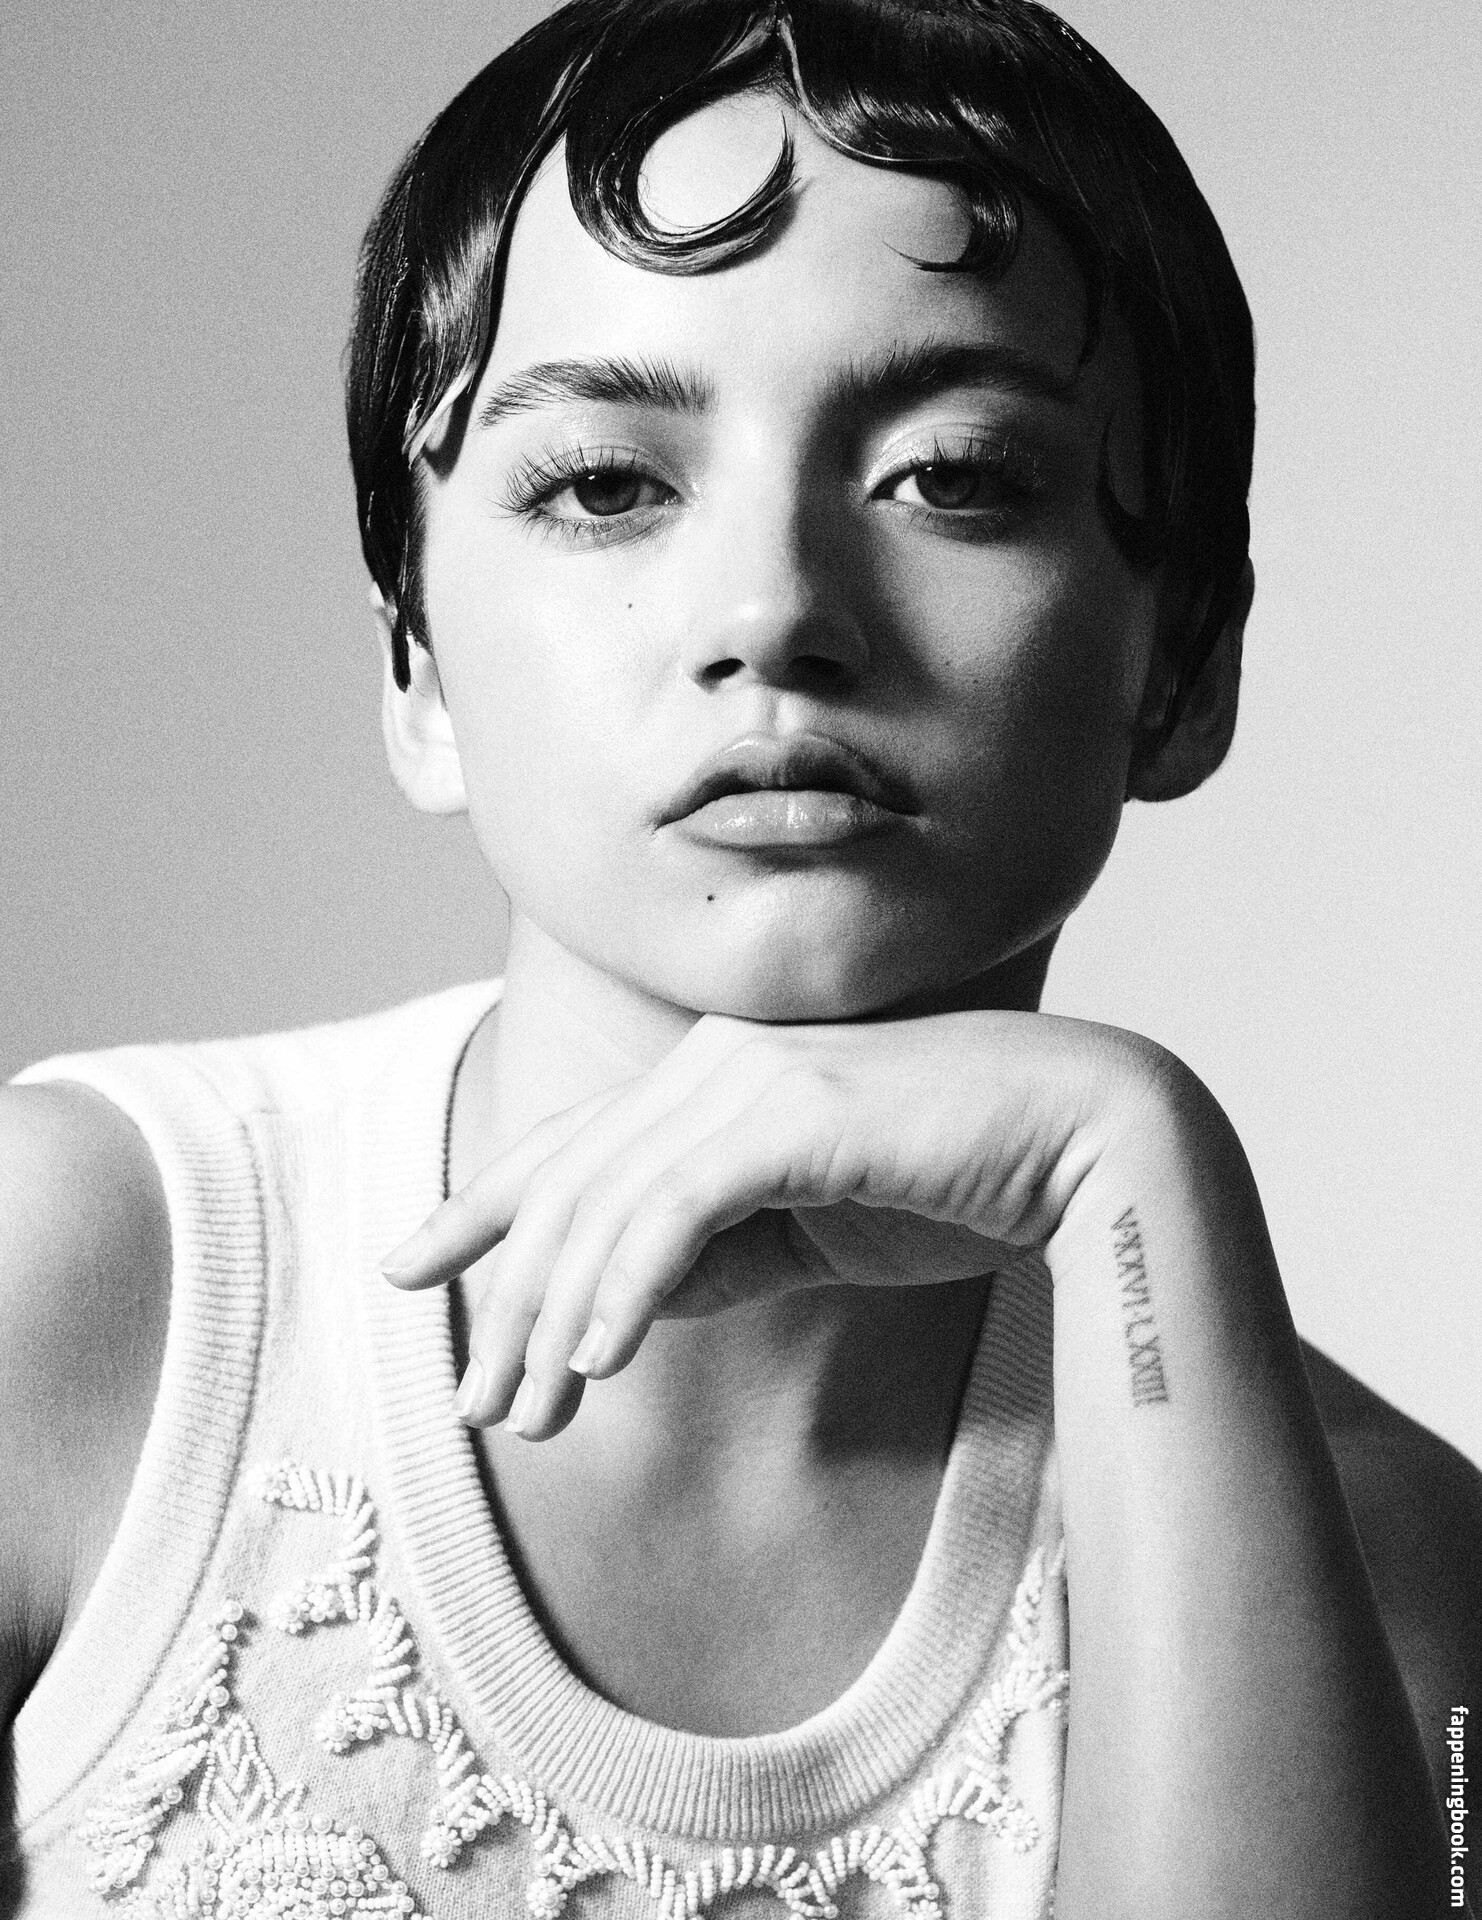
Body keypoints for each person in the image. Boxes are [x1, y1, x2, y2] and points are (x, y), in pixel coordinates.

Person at [2, 0, 1478, 1914]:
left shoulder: (1397, 1580)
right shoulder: (74, 1288)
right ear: (417, 669)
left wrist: (1130, 1158)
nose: (773, 610)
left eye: (954, 475)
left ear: (1181, 664)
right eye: (605, 485)